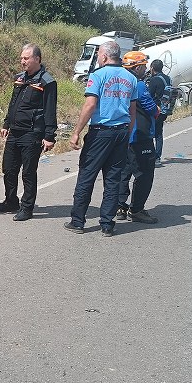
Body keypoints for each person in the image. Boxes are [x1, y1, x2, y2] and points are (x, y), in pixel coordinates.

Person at [64, 41, 137, 237]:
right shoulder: (131, 78)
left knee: (87, 175)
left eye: (98, 55)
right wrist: (128, 134)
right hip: (121, 132)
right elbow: (132, 110)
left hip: (101, 132)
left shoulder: (98, 75)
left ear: (104, 56)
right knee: (113, 179)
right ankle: (107, 224)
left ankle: (78, 221)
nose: (97, 58)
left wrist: (76, 131)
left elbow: (90, 105)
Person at [0, 43, 57, 221]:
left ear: (37, 59)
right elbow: (13, 103)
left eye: (26, 58)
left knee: (28, 172)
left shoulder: (47, 81)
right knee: (8, 169)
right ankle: (10, 201)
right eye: (21, 58)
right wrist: (6, 123)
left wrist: (49, 136)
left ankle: (27, 207)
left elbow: (50, 110)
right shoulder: (19, 78)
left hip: (32, 133)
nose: (22, 61)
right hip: (15, 132)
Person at [117, 51, 159, 224]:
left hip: (122, 134)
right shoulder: (139, 84)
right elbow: (151, 108)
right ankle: (137, 209)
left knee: (124, 172)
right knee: (144, 173)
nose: (146, 69)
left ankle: (120, 207)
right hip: (139, 135)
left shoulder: (119, 81)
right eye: (144, 66)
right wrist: (158, 110)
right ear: (138, 67)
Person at [147, 59, 171, 166]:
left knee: (150, 133)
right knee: (159, 134)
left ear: (152, 68)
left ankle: (151, 156)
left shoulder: (154, 80)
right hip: (165, 109)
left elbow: (149, 95)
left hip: (156, 109)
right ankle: (157, 157)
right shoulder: (168, 78)